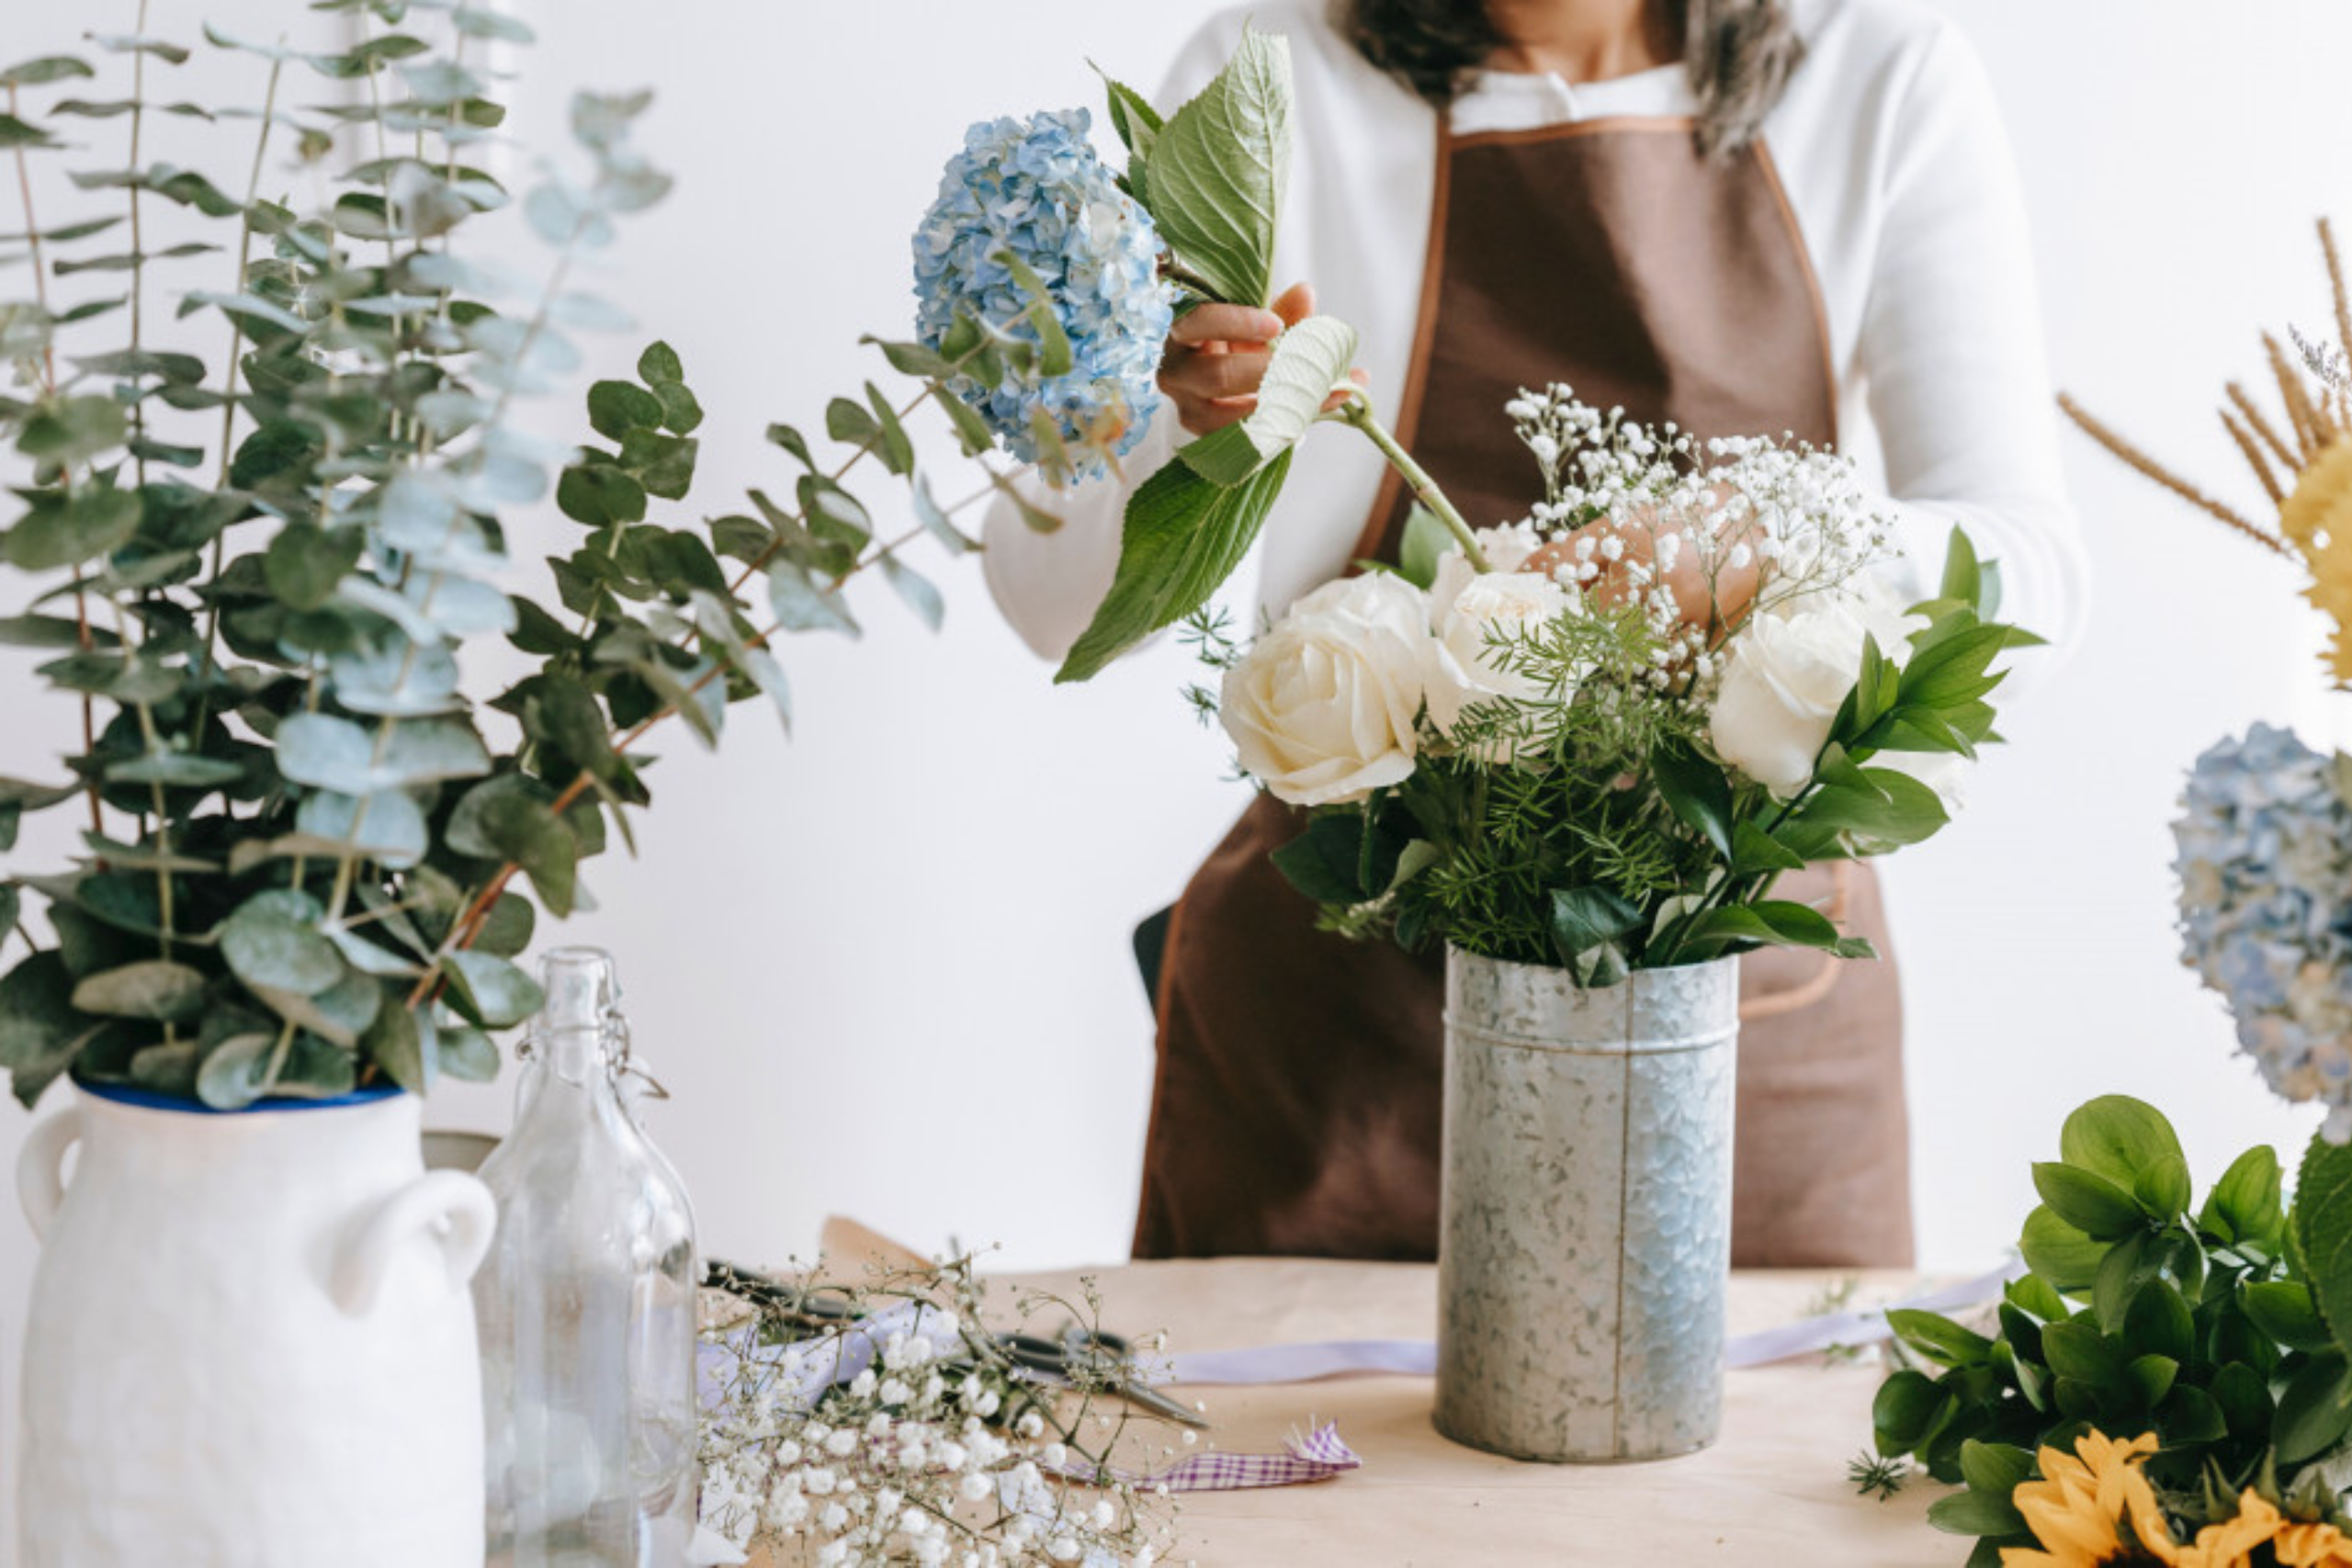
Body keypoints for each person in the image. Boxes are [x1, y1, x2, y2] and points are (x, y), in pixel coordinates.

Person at [982, 0, 2087, 1268]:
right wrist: (1185, 429)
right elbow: (1047, 600)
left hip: (1758, 1039)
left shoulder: (1882, 80)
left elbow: (2032, 571)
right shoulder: (1268, 84)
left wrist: (1761, 539)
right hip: (1341, 1051)